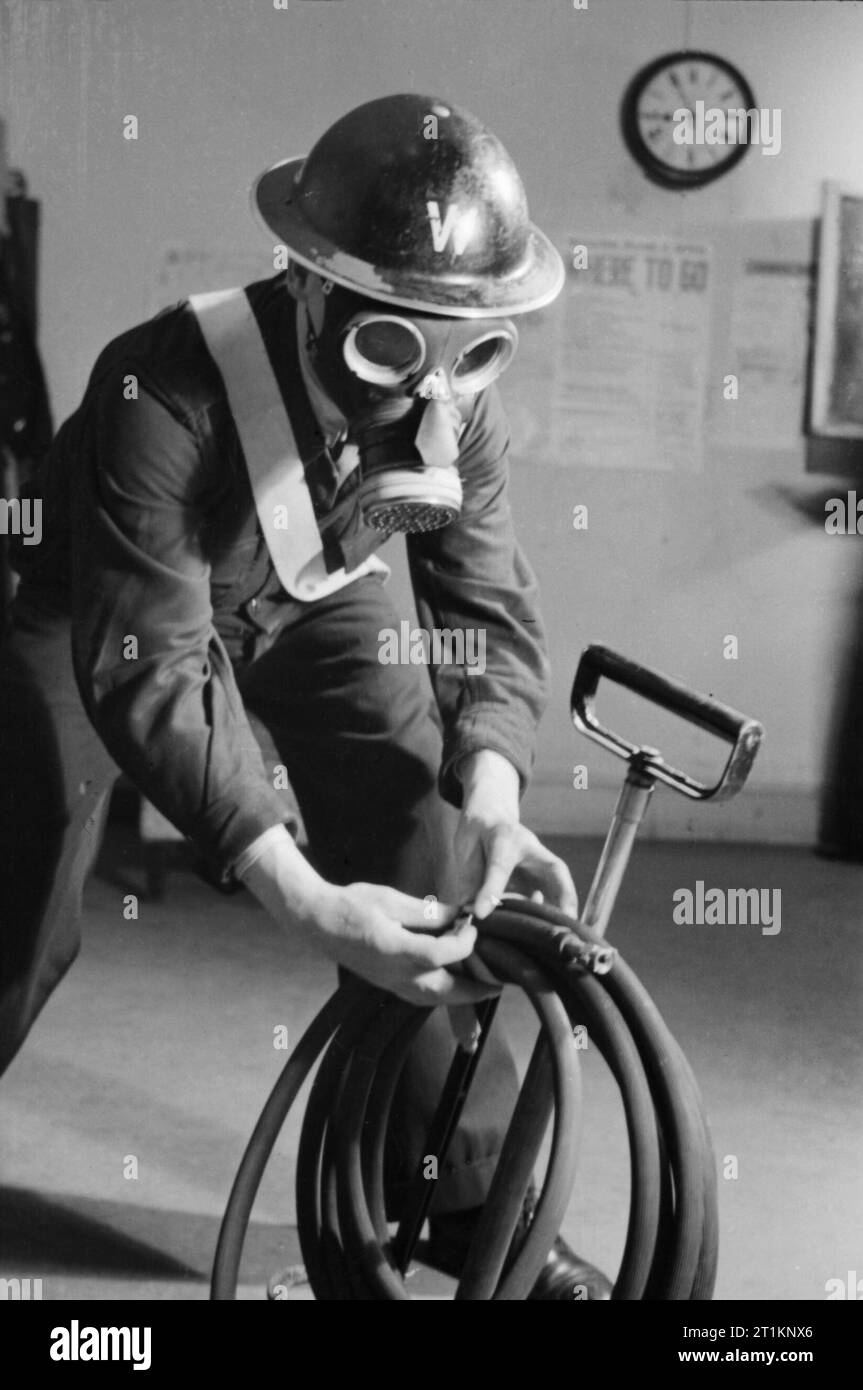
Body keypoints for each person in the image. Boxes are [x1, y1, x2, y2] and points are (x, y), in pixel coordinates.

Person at [0, 94, 611, 1299]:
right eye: (396, 345)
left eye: (466, 344)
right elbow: (157, 661)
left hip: (312, 595)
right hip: (105, 609)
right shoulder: (156, 388)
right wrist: (301, 895)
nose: (431, 389)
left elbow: (479, 604)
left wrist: (490, 792)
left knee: (421, 816)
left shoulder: (457, 410)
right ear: (316, 290)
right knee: (15, 893)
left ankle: (465, 1203)